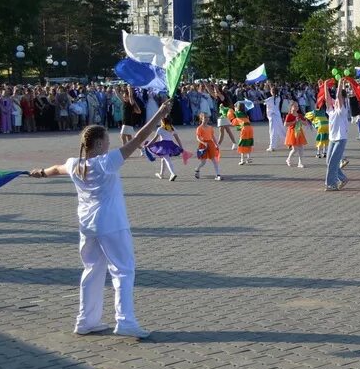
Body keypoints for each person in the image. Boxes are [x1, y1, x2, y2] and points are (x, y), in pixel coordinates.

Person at [26, 100, 171, 338]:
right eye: (107, 140)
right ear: (100, 143)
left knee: (92, 270)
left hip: (88, 225)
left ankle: (86, 321)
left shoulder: (75, 164)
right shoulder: (106, 162)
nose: (110, 143)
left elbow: (54, 168)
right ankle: (125, 321)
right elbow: (138, 138)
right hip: (112, 224)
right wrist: (159, 114)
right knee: (123, 270)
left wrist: (39, 173)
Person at [324, 78, 351, 191]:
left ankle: (331, 184)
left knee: (333, 162)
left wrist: (340, 85)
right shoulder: (331, 110)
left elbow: (339, 97)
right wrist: (325, 86)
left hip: (340, 139)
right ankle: (342, 178)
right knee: (328, 161)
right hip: (332, 139)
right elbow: (327, 99)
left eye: (337, 99)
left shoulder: (342, 110)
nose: (334, 100)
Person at [193, 112, 223, 180]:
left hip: (210, 144)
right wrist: (203, 142)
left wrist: (216, 144)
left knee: (214, 160)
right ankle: (197, 169)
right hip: (203, 145)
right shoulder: (199, 128)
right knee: (203, 162)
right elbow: (198, 138)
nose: (207, 119)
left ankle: (218, 175)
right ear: (201, 119)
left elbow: (213, 136)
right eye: (205, 117)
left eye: (208, 117)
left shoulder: (210, 127)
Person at [283, 101, 308, 168]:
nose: (297, 107)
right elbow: (285, 124)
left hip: (299, 132)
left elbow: (306, 123)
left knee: (301, 148)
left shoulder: (299, 115)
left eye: (297, 106)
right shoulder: (289, 115)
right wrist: (294, 121)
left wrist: (301, 121)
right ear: (291, 107)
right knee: (295, 149)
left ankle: (300, 163)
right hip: (292, 133)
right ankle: (288, 159)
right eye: (295, 106)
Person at [264, 87, 284, 152]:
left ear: (271, 92)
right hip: (277, 115)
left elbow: (263, 102)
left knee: (272, 131)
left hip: (272, 116)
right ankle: (288, 142)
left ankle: (272, 146)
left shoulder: (270, 99)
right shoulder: (278, 98)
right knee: (281, 129)